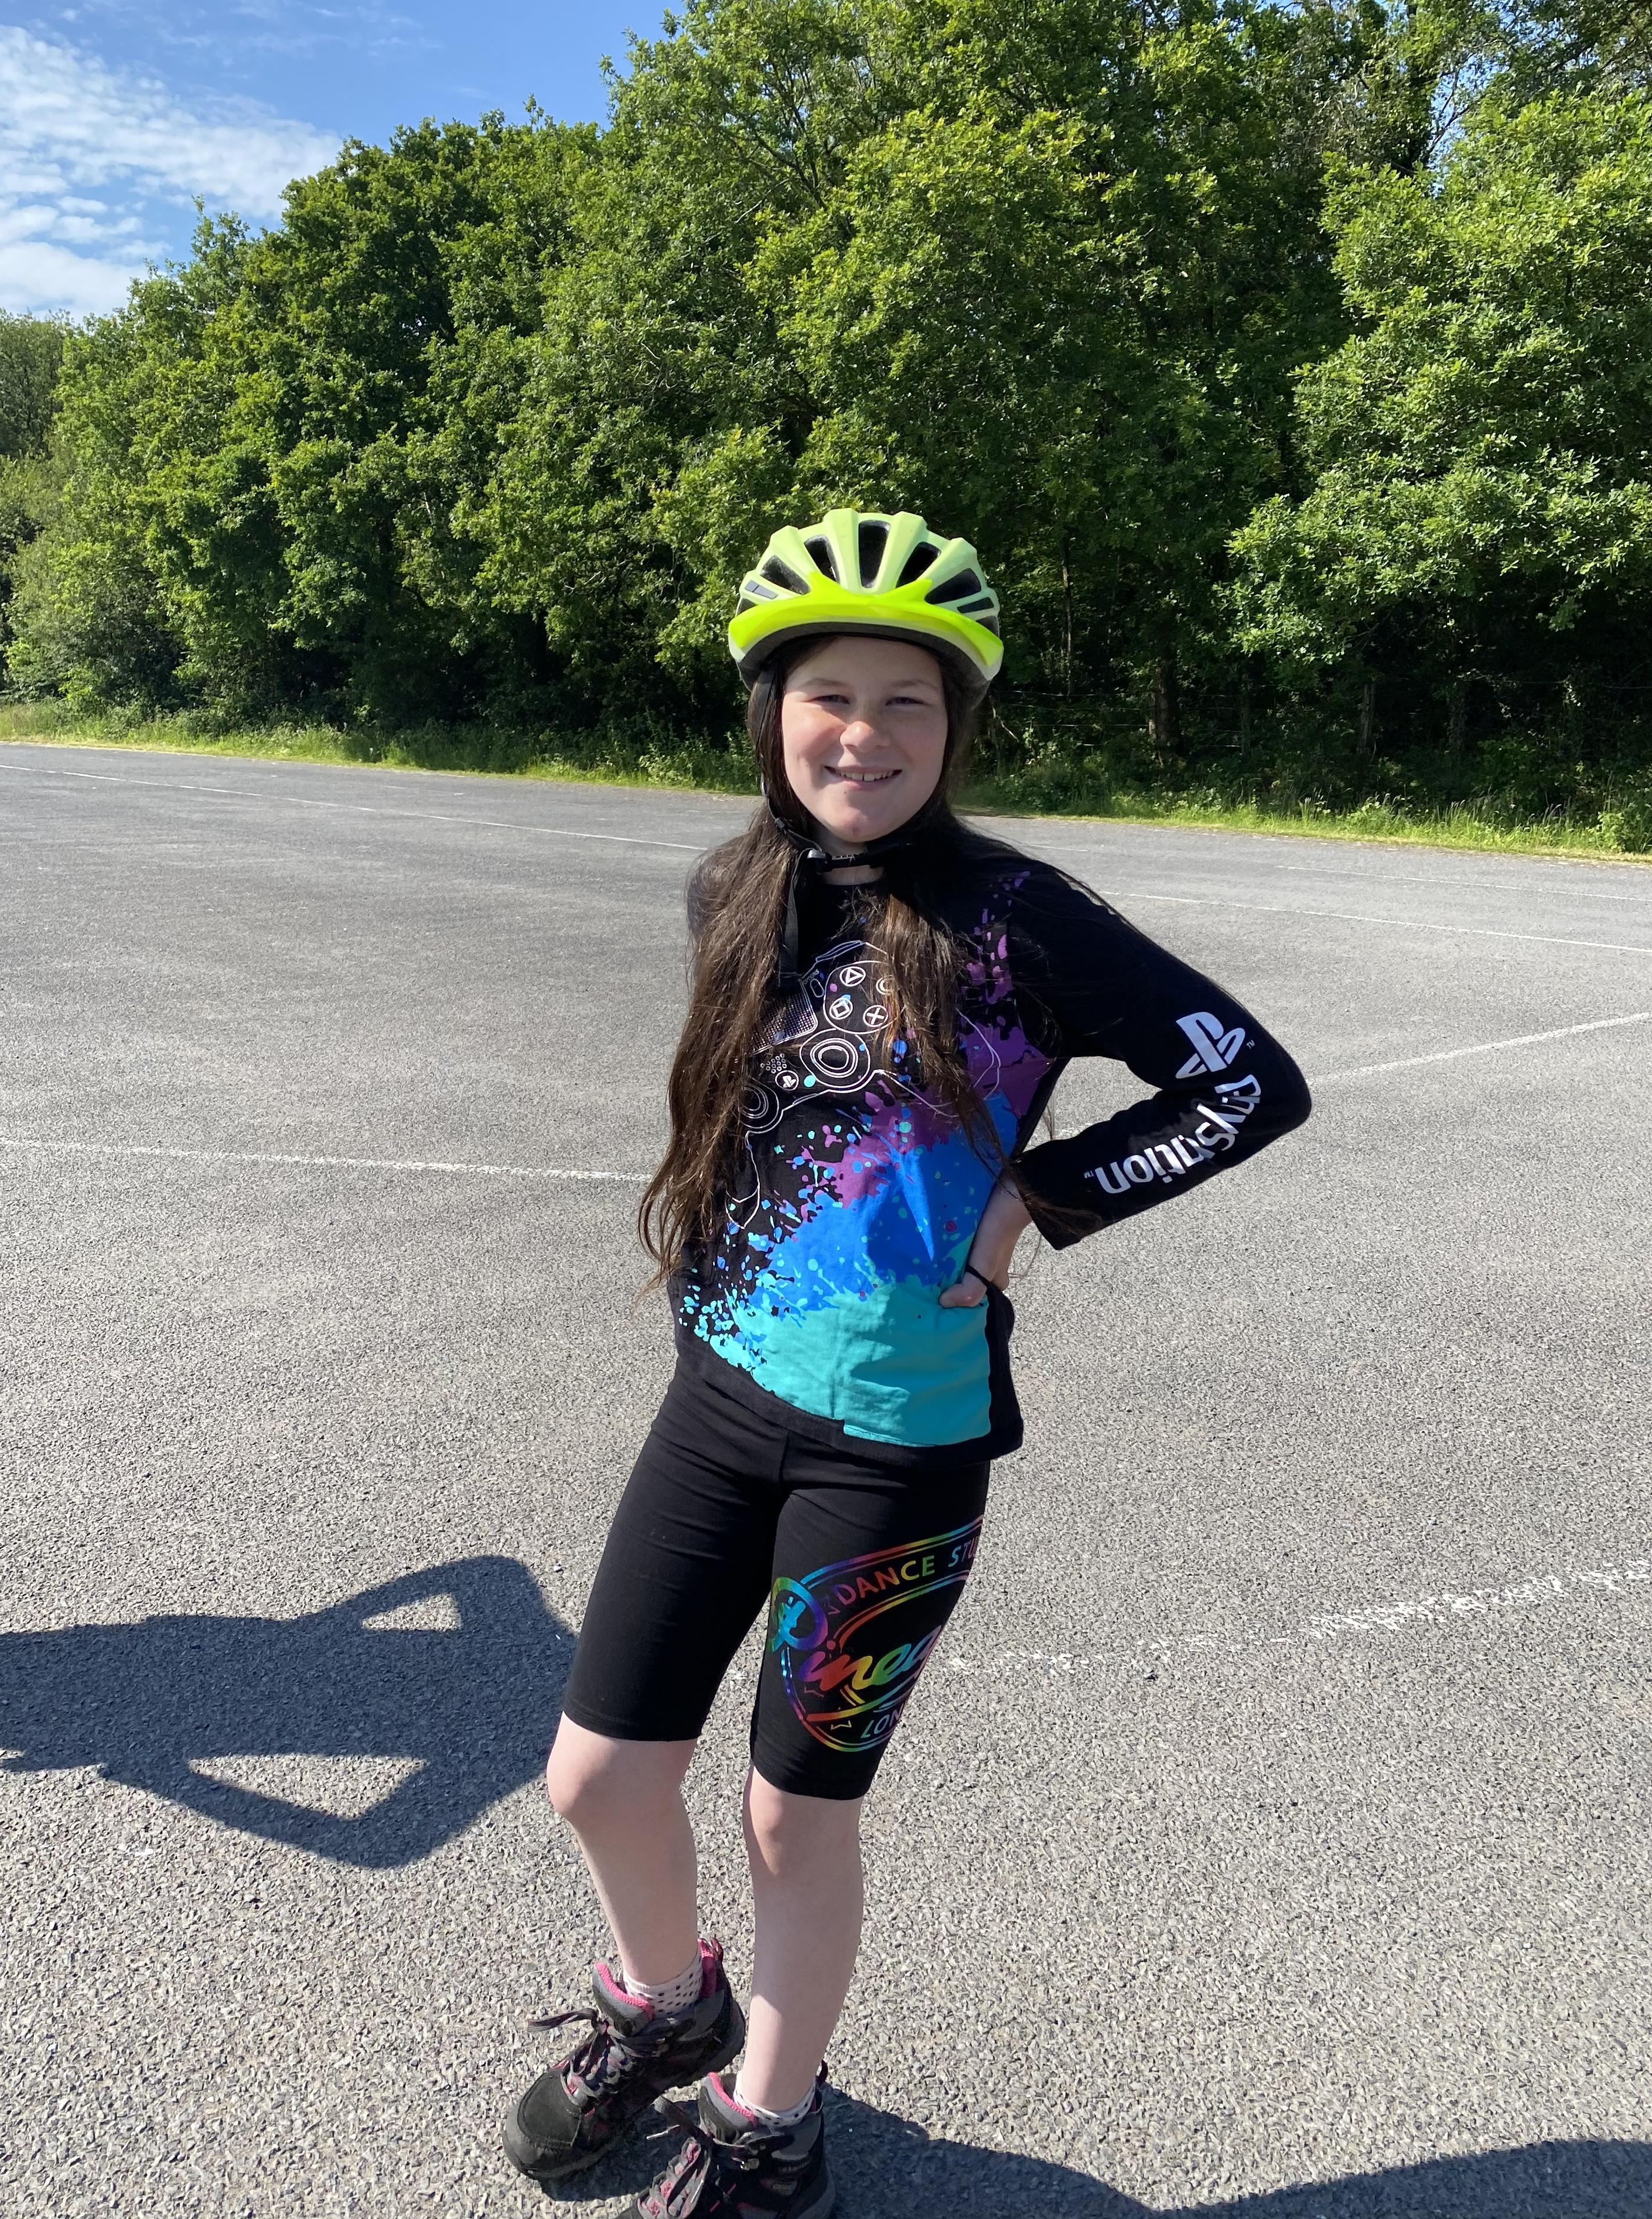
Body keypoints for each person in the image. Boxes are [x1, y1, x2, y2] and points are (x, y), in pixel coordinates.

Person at [502, 509, 1311, 2216]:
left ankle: (770, 2120)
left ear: (958, 727)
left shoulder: (1019, 916)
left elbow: (1249, 1081)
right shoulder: (737, 886)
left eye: (907, 701)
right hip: (719, 1402)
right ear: (771, 711)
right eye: (828, 695)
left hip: (896, 1446)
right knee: (598, 1777)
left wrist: (1033, 1202)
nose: (862, 733)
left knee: (793, 1819)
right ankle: (667, 2004)